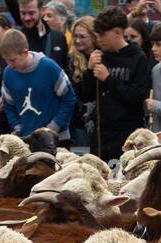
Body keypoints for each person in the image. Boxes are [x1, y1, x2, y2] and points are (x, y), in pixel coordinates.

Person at [80, 6, 149, 160]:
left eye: (103, 34)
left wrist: (108, 79)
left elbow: (138, 96)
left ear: (118, 32)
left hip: (128, 134)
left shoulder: (138, 57)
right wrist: (89, 71)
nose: (99, 39)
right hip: (102, 134)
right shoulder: (100, 56)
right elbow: (86, 96)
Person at [0, 27, 75, 140]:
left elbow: (69, 99)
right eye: (6, 60)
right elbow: (8, 105)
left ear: (24, 52)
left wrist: (54, 126)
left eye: (12, 60)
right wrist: (17, 126)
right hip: (26, 138)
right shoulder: (8, 73)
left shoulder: (49, 67)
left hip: (55, 138)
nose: (9, 64)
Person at [12, 0, 67, 70]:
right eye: (23, 13)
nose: (27, 18)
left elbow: (64, 69)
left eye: (31, 13)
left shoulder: (58, 38)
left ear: (42, 10)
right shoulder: (14, 39)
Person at [68, 14, 95, 149]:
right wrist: (82, 111)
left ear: (94, 37)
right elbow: (72, 90)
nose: (77, 40)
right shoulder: (72, 60)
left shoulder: (103, 57)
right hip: (79, 121)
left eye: (82, 37)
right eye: (75, 36)